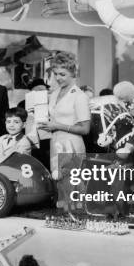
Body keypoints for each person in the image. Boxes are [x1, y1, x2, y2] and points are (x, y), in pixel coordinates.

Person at [37, 51, 90, 181]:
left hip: (72, 146)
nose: (58, 78)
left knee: (72, 190)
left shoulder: (80, 96)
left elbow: (85, 129)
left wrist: (56, 125)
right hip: (55, 145)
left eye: (62, 74)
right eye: (55, 74)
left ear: (73, 73)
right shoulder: (55, 93)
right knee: (59, 190)